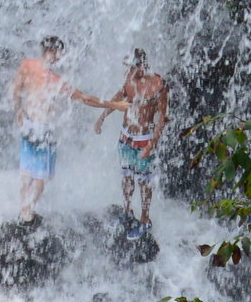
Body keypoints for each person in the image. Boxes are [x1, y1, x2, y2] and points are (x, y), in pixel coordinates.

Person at [10, 36, 106, 224]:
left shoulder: (26, 66)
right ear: (51, 51)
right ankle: (28, 212)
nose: (60, 57)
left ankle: (23, 208)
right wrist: (112, 105)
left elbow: (16, 90)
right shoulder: (54, 79)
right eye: (59, 52)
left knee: (27, 171)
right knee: (40, 178)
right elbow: (83, 97)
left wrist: (18, 111)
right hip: (43, 130)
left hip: (28, 125)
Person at [95, 48, 170, 227]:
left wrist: (151, 145)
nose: (127, 71)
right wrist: (102, 117)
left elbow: (162, 117)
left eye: (130, 67)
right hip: (126, 136)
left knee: (144, 180)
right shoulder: (129, 79)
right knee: (126, 177)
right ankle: (127, 210)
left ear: (141, 66)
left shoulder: (158, 85)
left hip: (145, 137)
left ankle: (145, 218)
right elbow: (119, 97)